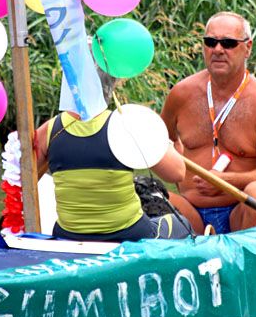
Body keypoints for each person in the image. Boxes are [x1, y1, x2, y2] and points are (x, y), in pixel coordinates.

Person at [161, 12, 256, 234]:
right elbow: (162, 142)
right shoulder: (181, 94)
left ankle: (249, 258)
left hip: (242, 213)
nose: (218, 50)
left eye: (228, 43)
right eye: (210, 42)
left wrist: (226, 181)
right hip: (191, 211)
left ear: (247, 48)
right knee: (150, 198)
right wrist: (177, 169)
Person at [34, 74, 198, 242]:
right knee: (180, 224)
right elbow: (177, 173)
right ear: (111, 83)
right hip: (129, 234)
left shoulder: (49, 130)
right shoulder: (126, 124)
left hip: (67, 235)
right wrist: (162, 141)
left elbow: (23, 181)